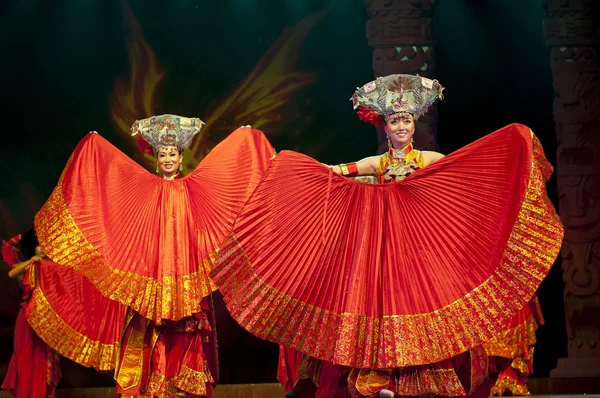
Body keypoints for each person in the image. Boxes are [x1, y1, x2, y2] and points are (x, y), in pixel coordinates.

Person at [210, 74, 564, 397]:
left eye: (407, 120)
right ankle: (379, 377)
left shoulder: (429, 159)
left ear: (414, 124)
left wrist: (511, 148)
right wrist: (287, 167)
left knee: (419, 303)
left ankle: (418, 378)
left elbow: (464, 173)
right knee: (378, 306)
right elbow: (334, 173)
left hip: (418, 249)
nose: (401, 125)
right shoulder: (377, 163)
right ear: (385, 126)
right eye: (395, 120)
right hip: (381, 250)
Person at [34, 114, 274, 397]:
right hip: (152, 275)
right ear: (156, 158)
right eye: (162, 154)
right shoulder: (146, 189)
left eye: (172, 153)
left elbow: (224, 179)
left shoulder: (192, 188)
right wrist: (95, 146)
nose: (168, 158)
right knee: (149, 335)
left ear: (181, 157)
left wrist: (244, 139)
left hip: (186, 277)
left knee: (185, 333)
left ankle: (181, 386)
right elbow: (115, 179)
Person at [1, 229, 61, 398]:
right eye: (38, 245)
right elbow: (12, 273)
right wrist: (30, 260)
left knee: (43, 360)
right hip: (27, 319)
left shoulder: (52, 268)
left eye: (44, 245)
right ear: (33, 248)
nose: (42, 248)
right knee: (26, 358)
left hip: (45, 321)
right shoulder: (28, 267)